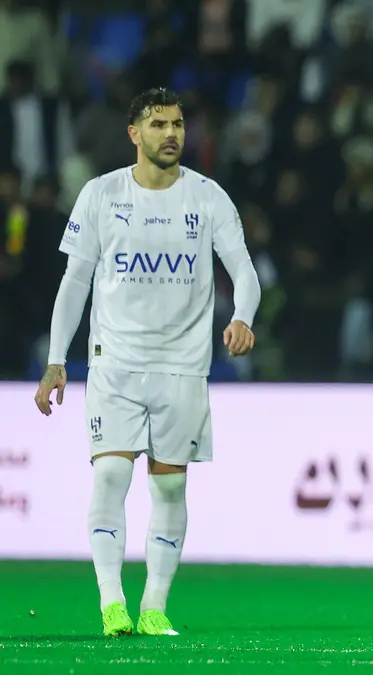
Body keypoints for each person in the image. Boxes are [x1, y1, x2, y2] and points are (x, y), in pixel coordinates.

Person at [32, 88, 261, 637]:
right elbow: (75, 282)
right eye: (158, 124)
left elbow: (246, 272)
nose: (171, 134)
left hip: (182, 366)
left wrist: (245, 316)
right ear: (134, 133)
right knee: (111, 473)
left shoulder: (208, 198)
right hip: (115, 362)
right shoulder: (100, 194)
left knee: (169, 488)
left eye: (178, 123)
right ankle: (113, 603)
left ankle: (155, 606)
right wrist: (55, 359)